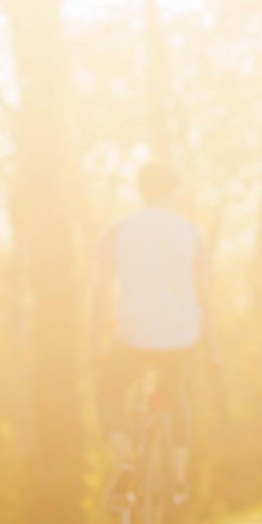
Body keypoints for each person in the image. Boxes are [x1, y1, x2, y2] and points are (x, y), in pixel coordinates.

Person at [91, 160, 213, 506]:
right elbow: (206, 297)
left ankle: (127, 457)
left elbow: (99, 292)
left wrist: (93, 344)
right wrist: (211, 349)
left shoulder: (117, 230)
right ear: (174, 191)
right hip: (182, 336)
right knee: (174, 398)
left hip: (132, 335)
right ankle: (176, 480)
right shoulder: (192, 233)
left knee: (109, 392)